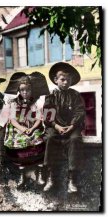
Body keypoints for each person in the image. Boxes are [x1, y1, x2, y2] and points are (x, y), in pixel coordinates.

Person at [43, 62, 85, 193]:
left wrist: (72, 125)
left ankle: (72, 179)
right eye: (62, 79)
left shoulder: (75, 95)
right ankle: (50, 177)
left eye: (68, 79)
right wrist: (57, 126)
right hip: (55, 127)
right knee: (49, 137)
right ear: (56, 80)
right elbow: (48, 115)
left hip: (72, 127)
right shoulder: (51, 96)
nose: (65, 82)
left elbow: (80, 112)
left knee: (75, 140)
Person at [4, 72, 49, 189]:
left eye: (28, 90)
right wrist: (23, 129)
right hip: (19, 129)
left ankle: (39, 172)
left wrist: (32, 128)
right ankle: (22, 175)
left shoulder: (35, 103)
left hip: (33, 127)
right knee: (19, 145)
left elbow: (39, 118)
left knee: (38, 141)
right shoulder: (14, 103)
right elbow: (13, 120)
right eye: (22, 90)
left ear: (31, 90)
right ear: (19, 90)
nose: (25, 93)